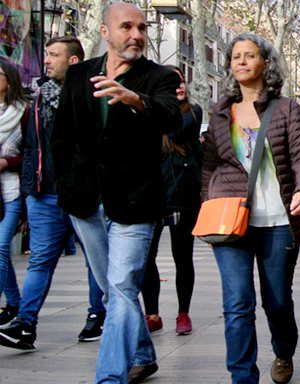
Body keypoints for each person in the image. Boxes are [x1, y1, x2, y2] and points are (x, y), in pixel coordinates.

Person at [50, 3, 181, 382]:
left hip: (136, 201)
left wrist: (135, 100)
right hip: (85, 201)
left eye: (142, 28)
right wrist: (65, 187)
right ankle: (142, 353)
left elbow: (172, 117)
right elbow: (61, 137)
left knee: (123, 285)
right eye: (127, 27)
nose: (137, 35)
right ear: (105, 32)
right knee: (112, 290)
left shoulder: (160, 77)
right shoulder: (78, 75)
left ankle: (110, 376)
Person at [201, 33, 300, 384]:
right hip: (230, 220)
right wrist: (206, 200)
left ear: (265, 63)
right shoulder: (221, 113)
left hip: (278, 221)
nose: (240, 61)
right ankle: (242, 376)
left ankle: (283, 352)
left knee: (277, 301)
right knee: (237, 304)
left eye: (249, 55)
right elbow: (208, 165)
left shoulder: (287, 110)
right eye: (235, 56)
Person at [2, 36, 107, 346]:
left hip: (83, 193)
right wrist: (26, 191)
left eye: (53, 55)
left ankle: (97, 316)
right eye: (46, 54)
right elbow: (30, 146)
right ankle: (25, 324)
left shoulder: (92, 95)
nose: (46, 61)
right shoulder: (36, 99)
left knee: (95, 260)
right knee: (40, 260)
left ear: (73, 61)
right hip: (43, 193)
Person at [140, 65, 202, 336]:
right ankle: (152, 313)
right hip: (153, 194)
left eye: (180, 81)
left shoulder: (192, 112)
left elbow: (177, 131)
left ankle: (183, 313)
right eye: (170, 82)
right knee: (146, 257)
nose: (178, 85)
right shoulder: (147, 110)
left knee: (183, 256)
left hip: (183, 195)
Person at [0, 60, 28, 329]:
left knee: (0, 246)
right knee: (2, 252)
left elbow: (31, 152)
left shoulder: (22, 112)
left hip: (11, 192)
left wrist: (7, 162)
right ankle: (14, 303)